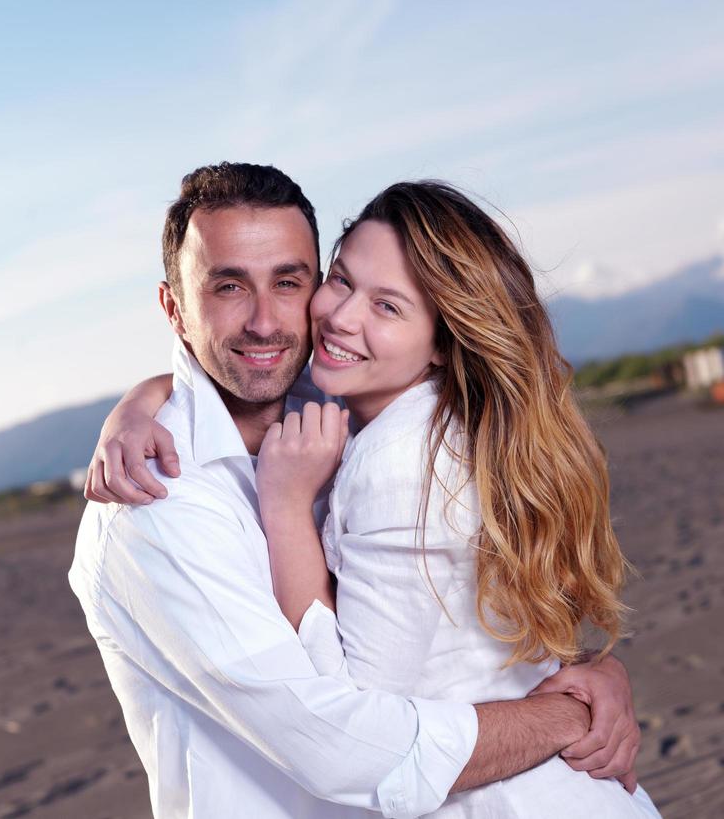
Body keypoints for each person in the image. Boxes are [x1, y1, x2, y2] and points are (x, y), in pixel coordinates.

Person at [75, 163, 645, 819]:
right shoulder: (159, 499)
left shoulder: (366, 422)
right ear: (174, 308)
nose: (265, 321)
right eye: (227, 286)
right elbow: (345, 749)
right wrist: (563, 715)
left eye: (288, 282)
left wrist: (590, 680)